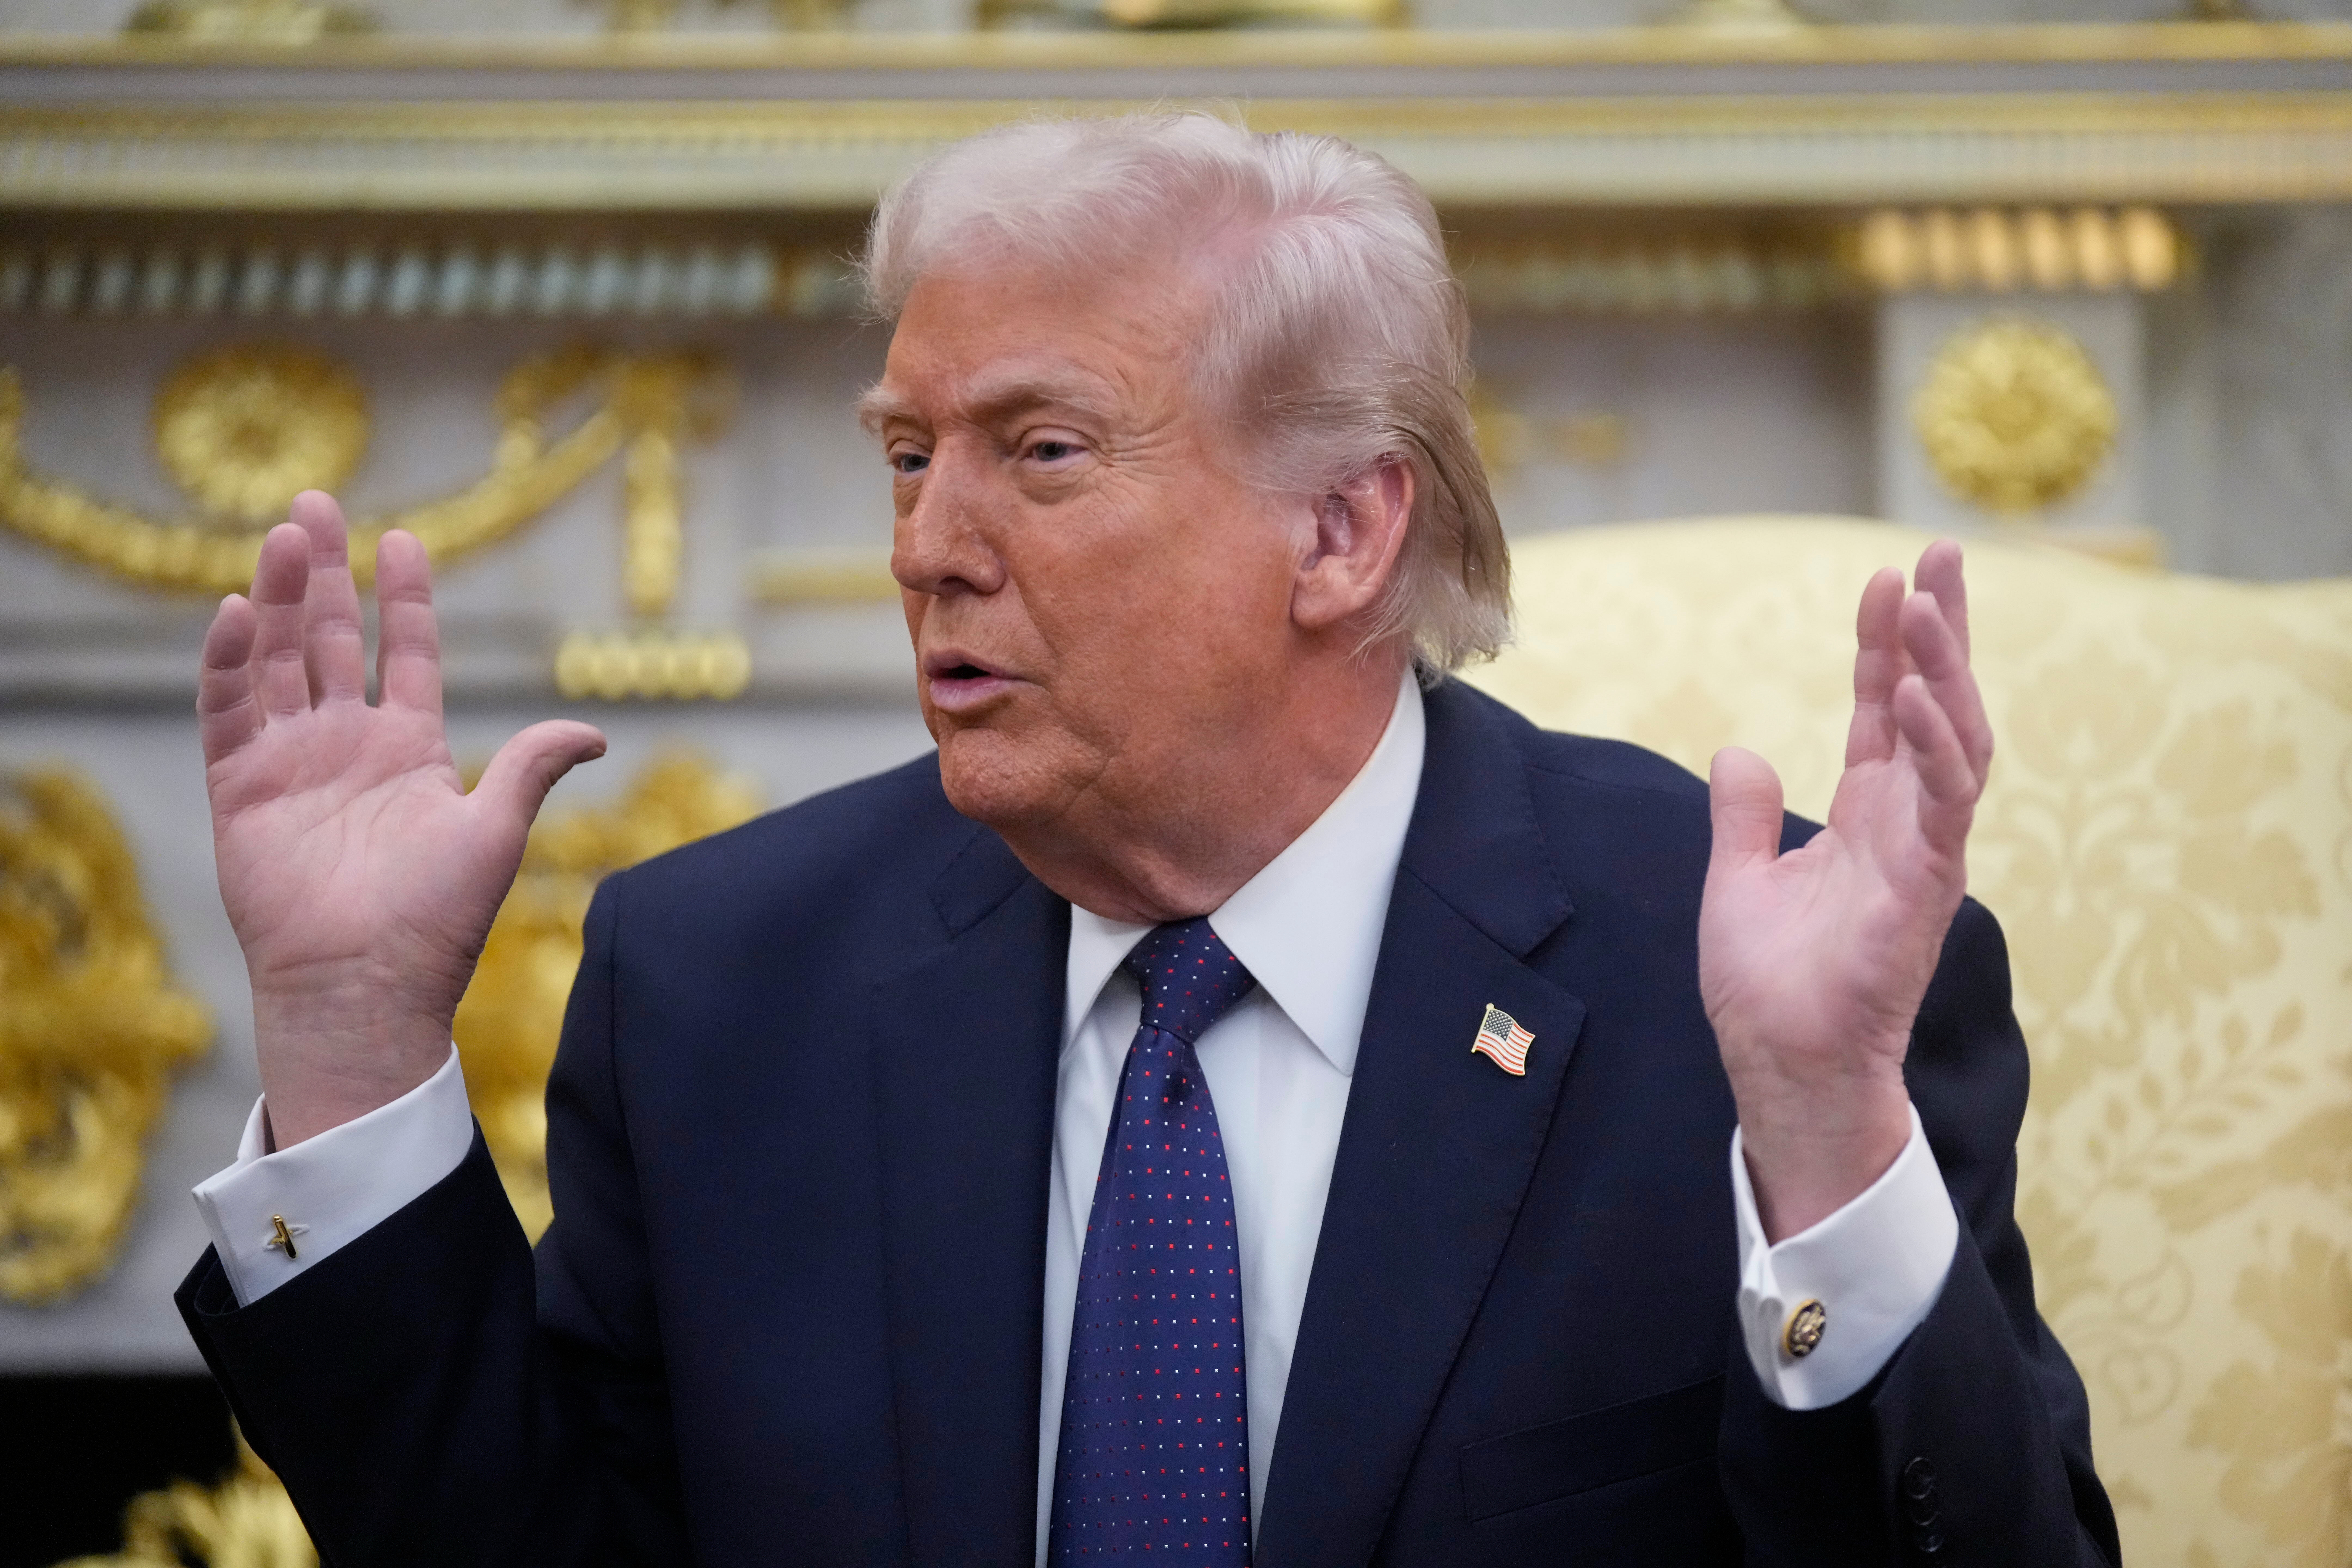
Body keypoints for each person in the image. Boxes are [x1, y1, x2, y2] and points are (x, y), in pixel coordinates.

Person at [176, 113, 2117, 1567]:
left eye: (1041, 453)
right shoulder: (719, 983)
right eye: (909, 453)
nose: (929, 545)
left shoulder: (1730, 983)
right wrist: (353, 1046)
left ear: (1344, 533)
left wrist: (1825, 1143)